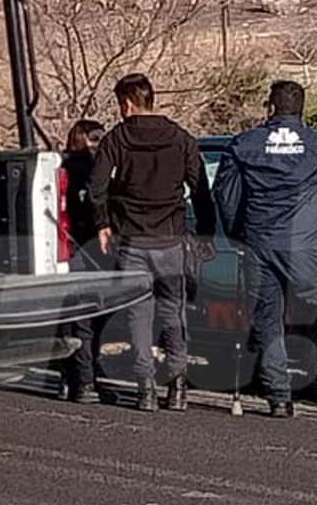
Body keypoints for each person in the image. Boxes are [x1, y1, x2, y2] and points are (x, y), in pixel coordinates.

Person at [211, 80, 317, 418]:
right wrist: (314, 203)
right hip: (304, 245)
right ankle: (307, 370)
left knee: (267, 316)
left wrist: (236, 232)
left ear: (271, 107)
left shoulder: (244, 144)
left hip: (260, 242)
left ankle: (279, 394)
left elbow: (225, 195)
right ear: (301, 108)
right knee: (315, 306)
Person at [87, 76, 206, 412]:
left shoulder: (116, 138)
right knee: (173, 311)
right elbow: (200, 188)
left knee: (138, 315)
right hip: (170, 238)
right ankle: (178, 384)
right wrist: (207, 230)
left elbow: (96, 186)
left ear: (127, 103)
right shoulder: (181, 138)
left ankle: (146, 388)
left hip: (131, 238)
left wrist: (102, 223)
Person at [56, 118, 109, 404]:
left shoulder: (61, 167)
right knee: (86, 318)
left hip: (70, 249)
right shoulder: (91, 169)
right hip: (87, 248)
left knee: (73, 317)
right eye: (96, 138)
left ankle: (71, 377)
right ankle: (85, 380)